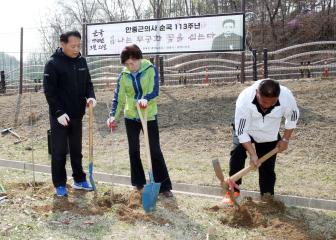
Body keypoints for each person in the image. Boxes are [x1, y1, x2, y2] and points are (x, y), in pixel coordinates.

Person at [106, 44, 173, 198]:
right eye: (127, 64)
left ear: (139, 59)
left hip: (148, 115)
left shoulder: (150, 69)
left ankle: (164, 186)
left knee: (154, 150)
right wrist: (113, 117)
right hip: (131, 116)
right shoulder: (123, 76)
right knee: (133, 150)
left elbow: (154, 90)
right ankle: (138, 183)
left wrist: (145, 99)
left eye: (133, 63)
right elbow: (119, 98)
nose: (131, 67)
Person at [223, 79, 299, 204]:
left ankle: (267, 197)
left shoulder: (286, 97)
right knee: (237, 154)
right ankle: (233, 191)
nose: (267, 105)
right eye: (264, 101)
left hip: (268, 134)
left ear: (278, 96)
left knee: (267, 166)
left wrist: (285, 139)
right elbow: (241, 132)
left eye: (272, 102)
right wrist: (253, 154)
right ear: (257, 92)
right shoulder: (245, 99)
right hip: (247, 130)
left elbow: (293, 117)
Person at [43, 30, 96, 197]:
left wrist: (91, 96)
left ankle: (79, 179)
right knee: (59, 151)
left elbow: (88, 83)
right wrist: (58, 112)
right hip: (60, 116)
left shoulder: (81, 61)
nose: (76, 49)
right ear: (62, 44)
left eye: (78, 45)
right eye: (73, 46)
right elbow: (49, 92)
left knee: (76, 149)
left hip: (77, 114)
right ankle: (59, 183)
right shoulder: (53, 64)